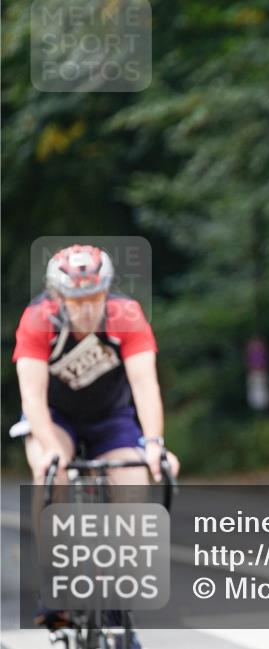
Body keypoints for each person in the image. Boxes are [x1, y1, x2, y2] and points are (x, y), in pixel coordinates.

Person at [12, 244, 178, 635]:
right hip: (55, 416)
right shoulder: (38, 320)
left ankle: (118, 608)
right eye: (76, 300)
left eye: (95, 298)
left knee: (135, 486)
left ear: (107, 293)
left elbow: (144, 383)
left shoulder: (126, 315)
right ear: (58, 298)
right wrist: (53, 450)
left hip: (111, 417)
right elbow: (32, 397)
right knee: (50, 473)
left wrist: (154, 443)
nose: (87, 309)